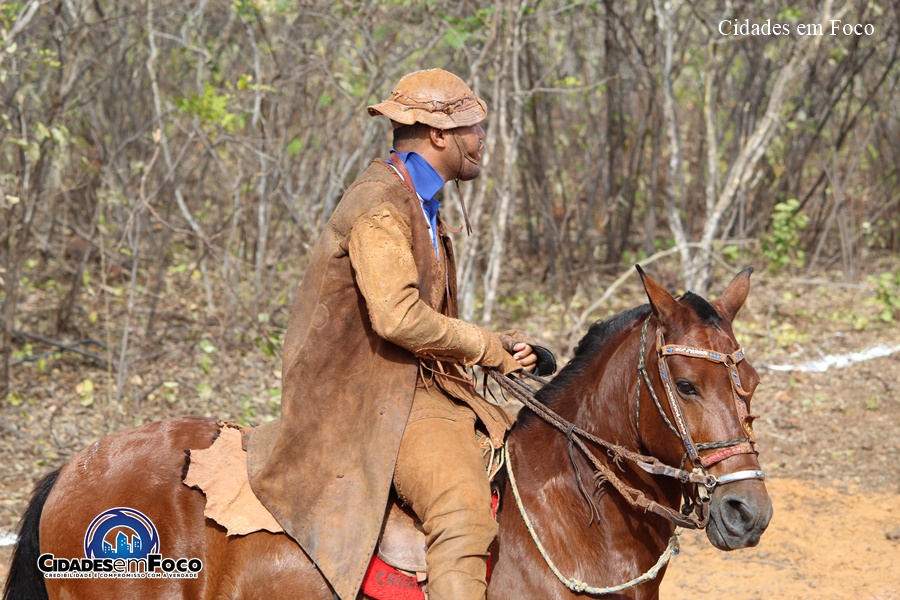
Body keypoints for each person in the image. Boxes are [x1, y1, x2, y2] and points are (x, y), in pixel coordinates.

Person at [247, 68, 554, 600]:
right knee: (463, 512)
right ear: (439, 136)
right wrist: (484, 347)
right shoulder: (379, 204)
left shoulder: (419, 198)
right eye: (473, 129)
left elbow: (423, 317)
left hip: (414, 388)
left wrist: (498, 345)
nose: (482, 140)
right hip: (375, 399)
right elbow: (397, 317)